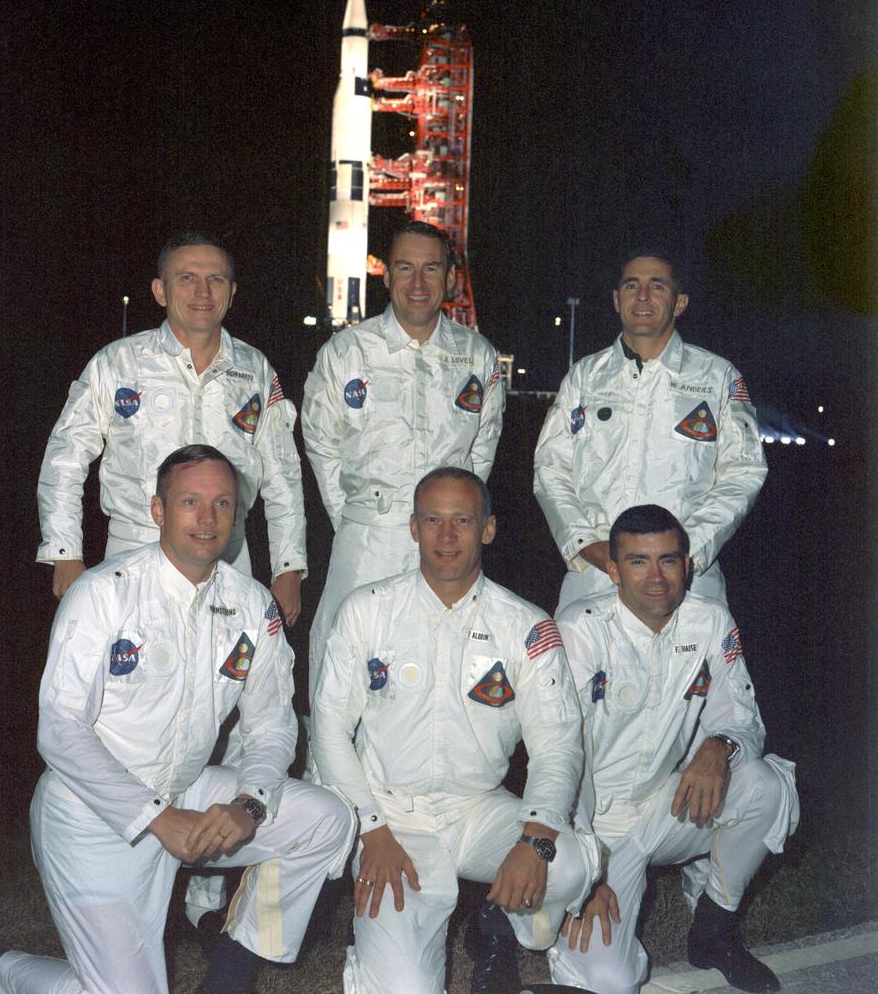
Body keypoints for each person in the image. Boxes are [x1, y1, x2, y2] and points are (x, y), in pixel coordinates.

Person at [0, 445, 355, 994]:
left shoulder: (253, 604)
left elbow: (272, 723)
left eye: (222, 503)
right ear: (158, 510)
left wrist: (250, 803)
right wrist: (156, 818)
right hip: (93, 815)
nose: (207, 518)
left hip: (185, 791)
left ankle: (230, 973)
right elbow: (59, 729)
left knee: (326, 819)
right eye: (190, 501)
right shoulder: (103, 593)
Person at [311, 467, 598, 994]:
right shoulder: (366, 611)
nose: (446, 536)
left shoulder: (527, 626)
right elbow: (328, 728)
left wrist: (534, 842)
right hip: (392, 818)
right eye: (433, 520)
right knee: (406, 988)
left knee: (569, 862)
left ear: (487, 528)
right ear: (413, 527)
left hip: (476, 810)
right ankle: (379, 947)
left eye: (462, 520)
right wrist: (371, 830)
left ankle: (503, 922)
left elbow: (558, 743)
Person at [548, 504, 798, 994]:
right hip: (593, 827)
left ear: (687, 565)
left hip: (663, 805)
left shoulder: (709, 620)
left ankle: (714, 933)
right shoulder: (581, 628)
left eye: (668, 560)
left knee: (765, 786)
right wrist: (585, 870)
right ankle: (528, 911)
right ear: (613, 570)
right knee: (612, 982)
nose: (656, 577)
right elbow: (561, 756)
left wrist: (719, 746)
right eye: (638, 561)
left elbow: (742, 717)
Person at [36, 232, 307, 626]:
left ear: (232, 293)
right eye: (187, 278)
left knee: (226, 664)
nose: (203, 292)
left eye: (215, 279)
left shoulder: (255, 370)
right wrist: (65, 552)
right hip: (135, 548)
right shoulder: (118, 364)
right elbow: (65, 458)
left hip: (226, 554)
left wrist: (289, 567)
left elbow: (283, 475)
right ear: (160, 291)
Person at [303, 220, 504, 701]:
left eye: (431, 268)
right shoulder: (347, 352)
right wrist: (353, 518)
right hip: (367, 538)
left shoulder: (477, 356)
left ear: (450, 278)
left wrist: (455, 519)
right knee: (346, 666)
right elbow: (321, 442)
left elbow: (482, 447)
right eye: (405, 268)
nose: (418, 282)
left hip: (446, 540)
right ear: (387, 276)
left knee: (441, 669)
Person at [534, 251, 766, 613]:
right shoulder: (584, 377)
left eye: (657, 286)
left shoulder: (718, 378)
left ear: (680, 302)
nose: (643, 296)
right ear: (616, 299)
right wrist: (588, 545)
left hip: (687, 581)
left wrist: (684, 551)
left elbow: (743, 472)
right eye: (632, 286)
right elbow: (551, 468)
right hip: (597, 575)